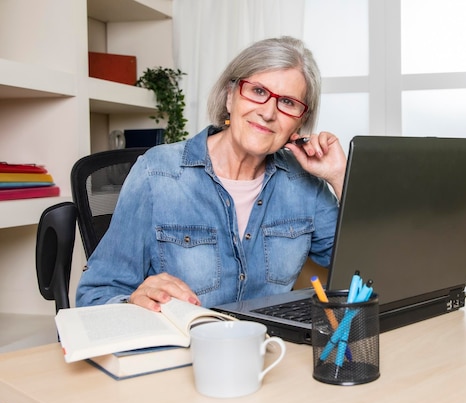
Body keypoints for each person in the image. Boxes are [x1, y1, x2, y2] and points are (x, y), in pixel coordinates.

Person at [76, 36, 346, 312]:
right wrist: (134, 301)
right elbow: (94, 296)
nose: (267, 113)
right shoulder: (157, 173)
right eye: (257, 91)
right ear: (230, 96)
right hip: (187, 350)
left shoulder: (304, 183)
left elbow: (363, 271)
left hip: (272, 349)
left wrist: (339, 177)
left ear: (300, 121)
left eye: (287, 102)